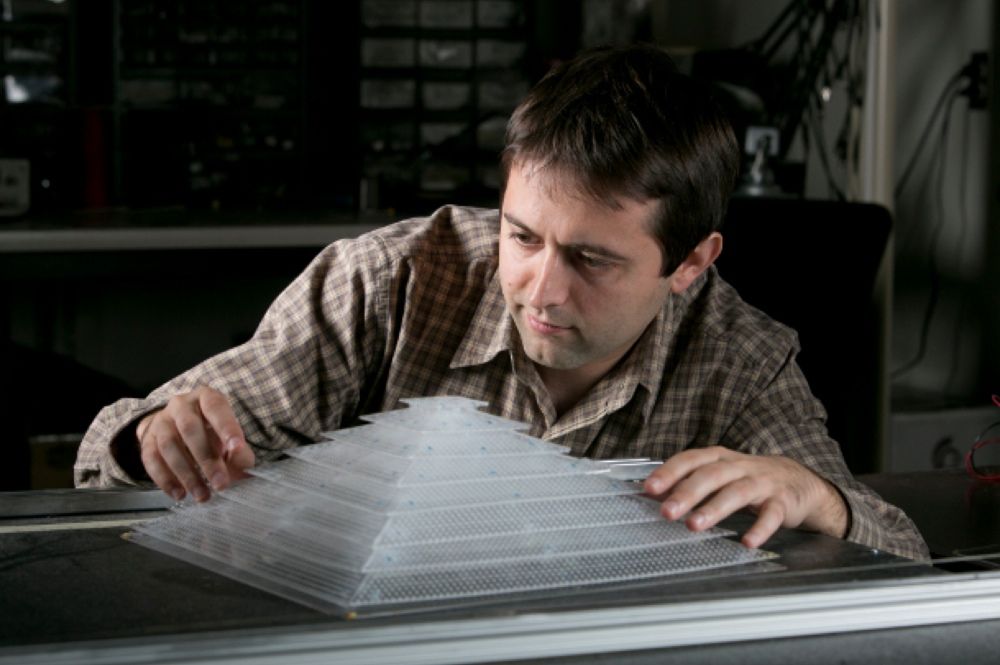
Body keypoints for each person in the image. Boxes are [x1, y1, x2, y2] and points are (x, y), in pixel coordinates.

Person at [75, 44, 928, 560]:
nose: (540, 289)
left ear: (691, 263)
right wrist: (155, 436)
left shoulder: (740, 357)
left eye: (591, 258)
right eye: (522, 236)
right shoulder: (390, 283)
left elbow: (901, 550)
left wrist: (822, 500)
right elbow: (110, 461)